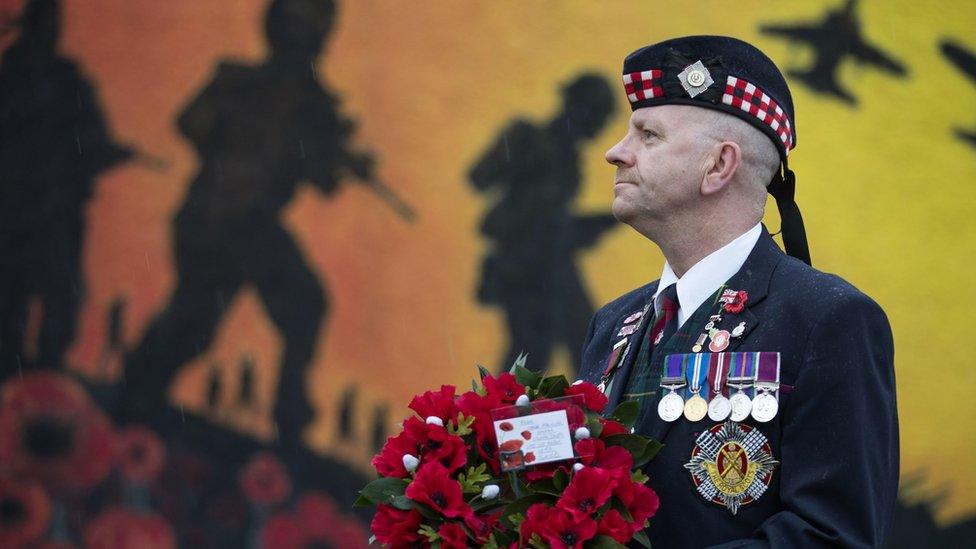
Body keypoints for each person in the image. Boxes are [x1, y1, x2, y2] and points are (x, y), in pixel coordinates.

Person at [578, 36, 898, 547]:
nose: (615, 152)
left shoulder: (827, 319)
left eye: (648, 135)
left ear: (719, 166)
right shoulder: (613, 323)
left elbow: (833, 537)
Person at [470, 74, 618, 376]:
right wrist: (519, 155)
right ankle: (499, 417)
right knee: (531, 351)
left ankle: (590, 415)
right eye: (598, 117)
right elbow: (481, 178)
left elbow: (552, 218)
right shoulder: (528, 138)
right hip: (524, 266)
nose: (598, 128)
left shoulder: (569, 156)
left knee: (585, 342)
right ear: (579, 109)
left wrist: (592, 224)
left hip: (553, 262)